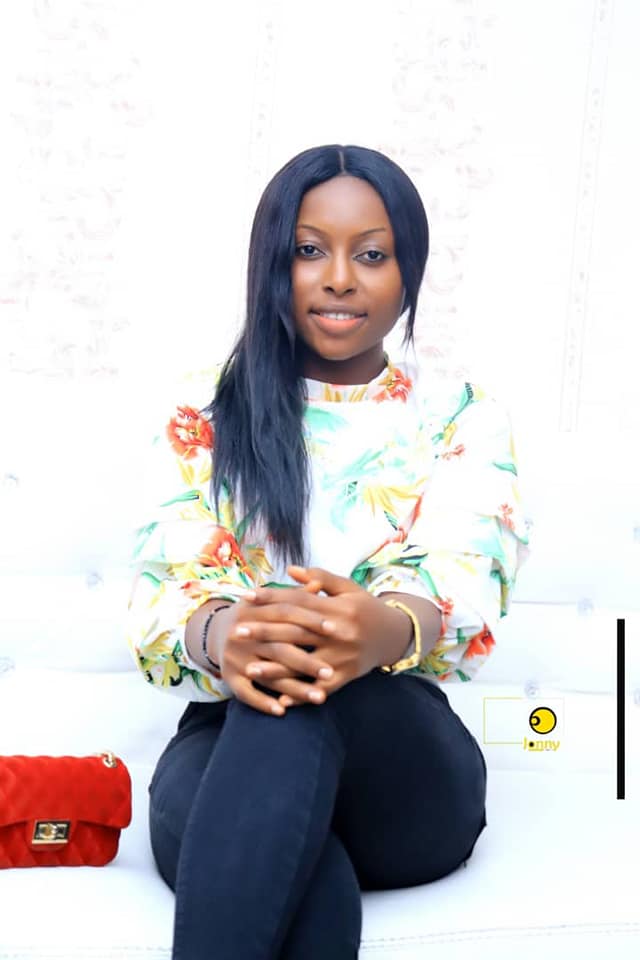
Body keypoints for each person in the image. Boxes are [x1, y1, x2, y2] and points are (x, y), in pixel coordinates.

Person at [126, 143, 530, 960]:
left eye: (371, 255)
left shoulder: (461, 415)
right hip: (231, 738)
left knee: (297, 691)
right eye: (309, 250)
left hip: (402, 760)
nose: (339, 278)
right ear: (272, 265)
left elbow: (463, 570)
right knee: (277, 789)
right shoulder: (204, 411)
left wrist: (380, 630)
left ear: (408, 273)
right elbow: (168, 586)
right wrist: (227, 635)